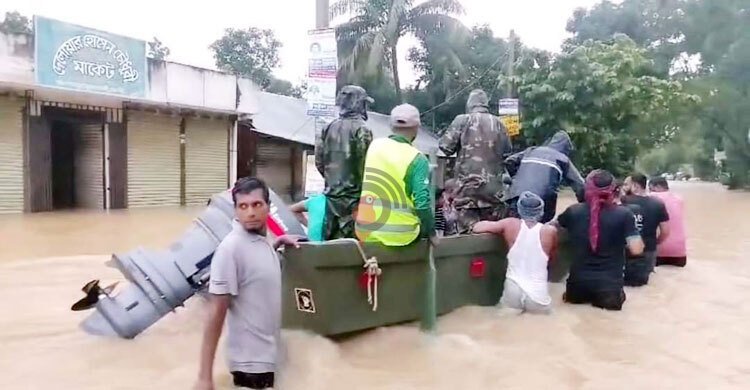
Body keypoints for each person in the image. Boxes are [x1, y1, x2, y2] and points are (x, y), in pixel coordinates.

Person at [195, 177, 301, 390]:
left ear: (268, 208)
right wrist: (205, 377)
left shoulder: (261, 242)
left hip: (268, 356)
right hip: (250, 366)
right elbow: (216, 314)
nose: (250, 212)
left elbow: (255, 268)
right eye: (243, 206)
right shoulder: (230, 250)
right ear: (235, 210)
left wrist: (279, 243)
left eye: (256, 205)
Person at [554, 170, 644, 311]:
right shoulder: (624, 214)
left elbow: (554, 232)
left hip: (577, 287)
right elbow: (637, 249)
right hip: (609, 289)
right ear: (614, 190)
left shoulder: (573, 211)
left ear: (587, 189)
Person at [355, 104, 437, 247]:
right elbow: (422, 203)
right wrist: (432, 233)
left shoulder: (374, 146)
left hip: (366, 231)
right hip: (402, 236)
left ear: (391, 126)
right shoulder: (417, 158)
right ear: (417, 128)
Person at [439, 89, 512, 234]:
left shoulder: (462, 120)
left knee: (467, 236)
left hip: (467, 191)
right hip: (494, 192)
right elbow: (508, 152)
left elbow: (445, 147)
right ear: (486, 104)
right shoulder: (499, 123)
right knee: (491, 236)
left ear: (469, 104)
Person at [473, 192, 557, 314]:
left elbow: (477, 228)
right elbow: (552, 258)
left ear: (519, 209)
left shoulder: (510, 224)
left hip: (513, 290)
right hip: (537, 294)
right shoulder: (549, 231)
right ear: (541, 211)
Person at [315, 85, 374, 240]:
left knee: (329, 248)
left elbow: (319, 162)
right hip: (354, 203)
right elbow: (366, 166)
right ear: (359, 104)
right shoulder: (363, 130)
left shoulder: (327, 127)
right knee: (353, 252)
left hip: (330, 200)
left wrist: (334, 181)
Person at [504, 131, 585, 223]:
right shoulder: (562, 158)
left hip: (516, 195)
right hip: (542, 201)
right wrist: (585, 205)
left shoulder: (532, 150)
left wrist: (514, 177)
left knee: (514, 226)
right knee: (539, 228)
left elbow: (509, 161)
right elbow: (579, 184)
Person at [621, 173, 670, 285]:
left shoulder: (622, 202)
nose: (623, 187)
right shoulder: (658, 204)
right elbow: (666, 231)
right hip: (648, 253)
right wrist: (654, 243)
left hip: (624, 253)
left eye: (626, 184)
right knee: (645, 282)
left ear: (635, 186)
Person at [649, 177, 687, 267]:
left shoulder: (651, 197)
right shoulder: (679, 199)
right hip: (680, 252)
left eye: (651, 188)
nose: (650, 191)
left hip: (658, 250)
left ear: (658, 187)